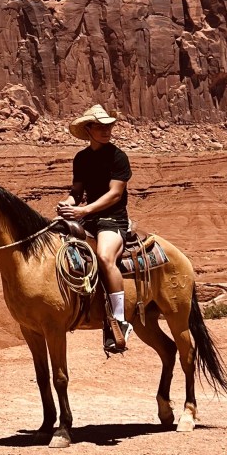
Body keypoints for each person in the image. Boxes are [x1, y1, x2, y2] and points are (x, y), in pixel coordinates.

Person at [56, 104, 134, 353]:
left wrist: (83, 211)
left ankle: (120, 320)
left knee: (104, 256)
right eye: (100, 126)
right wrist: (67, 206)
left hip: (113, 219)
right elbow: (76, 193)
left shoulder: (118, 156)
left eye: (108, 126)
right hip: (88, 219)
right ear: (88, 129)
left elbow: (114, 194)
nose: (106, 130)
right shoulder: (81, 158)